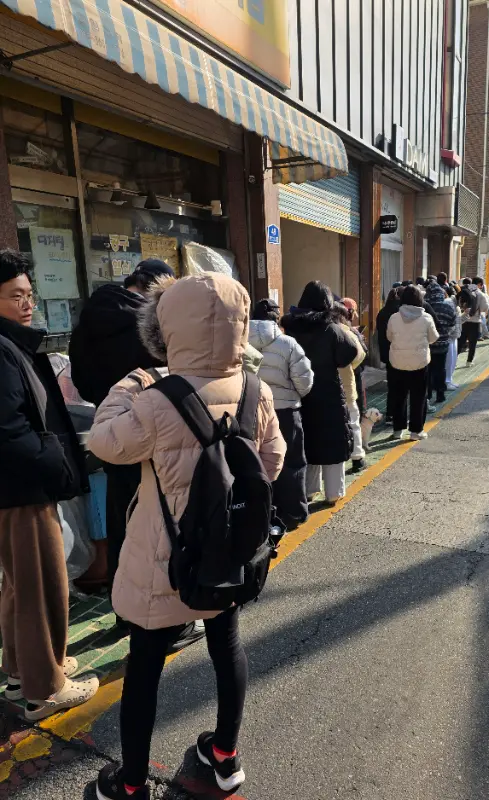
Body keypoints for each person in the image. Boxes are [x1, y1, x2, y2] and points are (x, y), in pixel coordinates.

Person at [88, 272, 286, 799]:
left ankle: (130, 785)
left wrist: (130, 384)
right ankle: (224, 758)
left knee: (145, 665)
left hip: (163, 558)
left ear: (169, 328)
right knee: (227, 645)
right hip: (228, 552)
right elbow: (271, 464)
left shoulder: (156, 399)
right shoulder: (256, 390)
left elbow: (104, 441)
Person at [69, 261, 204, 648]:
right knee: (159, 527)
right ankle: (167, 621)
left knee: (121, 525)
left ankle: (124, 612)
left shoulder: (89, 320)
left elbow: (82, 382)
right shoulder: (148, 322)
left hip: (112, 430)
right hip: (153, 433)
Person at [0, 249, 99, 720]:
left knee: (20, 584)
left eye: (29, 294)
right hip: (23, 488)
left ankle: (24, 670)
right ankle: (46, 687)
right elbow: (9, 430)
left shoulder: (10, 344)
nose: (27, 303)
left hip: (16, 487)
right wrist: (53, 460)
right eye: (15, 295)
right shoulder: (3, 350)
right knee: (40, 584)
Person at [282, 282, 359, 505]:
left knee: (308, 440)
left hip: (300, 392)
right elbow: (350, 353)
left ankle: (309, 489)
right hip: (329, 392)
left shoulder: (291, 328)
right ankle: (334, 492)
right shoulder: (331, 328)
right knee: (333, 440)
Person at [249, 298, 314, 530]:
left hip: (251, 412)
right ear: (277, 319)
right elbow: (305, 382)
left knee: (258, 463)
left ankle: (265, 511)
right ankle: (294, 513)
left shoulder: (238, 343)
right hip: (285, 411)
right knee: (291, 462)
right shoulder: (288, 344)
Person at [386, 285, 439, 441]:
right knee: (419, 397)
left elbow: (389, 337)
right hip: (419, 363)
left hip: (397, 362)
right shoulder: (426, 318)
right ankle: (416, 431)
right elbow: (433, 338)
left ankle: (398, 430)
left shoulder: (394, 317)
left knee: (399, 396)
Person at [332, 302, 367, 472]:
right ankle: (357, 458)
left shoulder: (317, 330)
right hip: (345, 384)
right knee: (352, 421)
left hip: (322, 387)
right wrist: (348, 366)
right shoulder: (346, 331)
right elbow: (360, 354)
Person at [424, 281, 456, 404]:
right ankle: (440, 394)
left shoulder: (426, 307)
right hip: (443, 344)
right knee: (441, 369)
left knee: (428, 370)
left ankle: (428, 395)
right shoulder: (448, 307)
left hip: (428, 344)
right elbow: (452, 323)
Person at [376, 287, 402, 424]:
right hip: (399, 353)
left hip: (387, 353)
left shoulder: (382, 312)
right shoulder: (399, 313)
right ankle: (398, 416)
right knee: (402, 387)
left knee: (392, 386)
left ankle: (390, 414)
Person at [458, 277, 489, 366]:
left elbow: (459, 303)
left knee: (460, 342)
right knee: (472, 343)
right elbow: (484, 308)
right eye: (481, 285)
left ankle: (453, 360)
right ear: (479, 284)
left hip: (463, 320)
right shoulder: (481, 294)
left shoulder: (466, 291)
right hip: (475, 321)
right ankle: (469, 361)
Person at [445, 290, 462, 389]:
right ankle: (446, 381)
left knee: (453, 360)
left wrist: (466, 315)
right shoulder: (449, 304)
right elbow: (449, 323)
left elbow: (458, 322)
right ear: (461, 299)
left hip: (454, 336)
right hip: (449, 337)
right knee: (449, 361)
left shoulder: (456, 306)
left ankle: (449, 380)